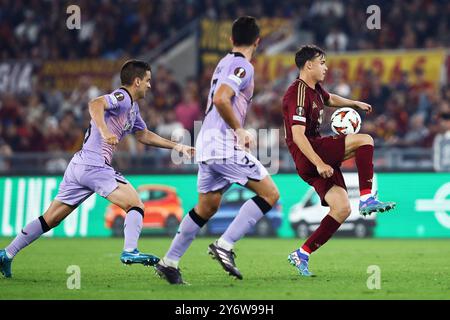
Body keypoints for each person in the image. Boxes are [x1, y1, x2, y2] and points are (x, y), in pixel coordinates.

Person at [0, 60, 194, 278]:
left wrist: (177, 146)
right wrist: (103, 130)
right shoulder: (121, 97)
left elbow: (144, 135)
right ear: (137, 81)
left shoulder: (133, 108)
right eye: (148, 80)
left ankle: (7, 253)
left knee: (50, 219)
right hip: (95, 165)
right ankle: (130, 250)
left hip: (79, 166)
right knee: (136, 204)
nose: (150, 85)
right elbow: (95, 104)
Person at [155, 16, 280, 284]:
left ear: (231, 39)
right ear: (258, 41)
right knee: (270, 194)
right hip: (223, 144)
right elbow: (221, 98)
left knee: (206, 207)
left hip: (207, 143)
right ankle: (225, 245)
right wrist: (239, 129)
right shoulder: (242, 66)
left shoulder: (224, 62)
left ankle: (169, 261)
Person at [282, 45, 395, 277]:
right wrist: (320, 163)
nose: (326, 67)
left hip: (308, 160)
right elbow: (297, 135)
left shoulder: (314, 89)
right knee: (365, 140)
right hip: (310, 151)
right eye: (322, 62)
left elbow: (329, 98)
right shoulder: (298, 93)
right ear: (309, 65)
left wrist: (354, 103)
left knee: (342, 208)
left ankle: (302, 253)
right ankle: (367, 197)